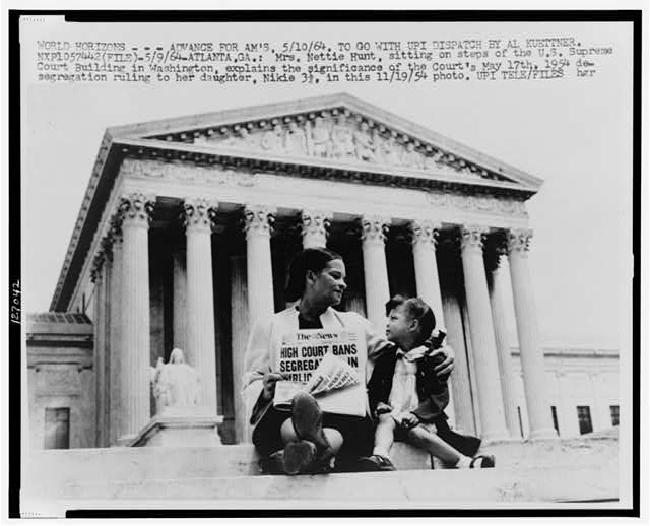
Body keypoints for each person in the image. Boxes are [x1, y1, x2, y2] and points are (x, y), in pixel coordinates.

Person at [242, 248, 455, 475]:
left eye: (343, 278)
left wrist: (440, 348)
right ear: (311, 276)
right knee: (286, 416)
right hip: (287, 410)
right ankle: (316, 448)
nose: (343, 284)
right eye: (335, 276)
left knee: (348, 423)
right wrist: (264, 390)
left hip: (341, 415)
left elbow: (400, 349)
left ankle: (303, 452)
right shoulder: (271, 325)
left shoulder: (354, 325)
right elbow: (252, 378)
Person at [363, 295, 495, 471]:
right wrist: (379, 404)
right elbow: (374, 388)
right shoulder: (387, 356)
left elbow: (439, 397)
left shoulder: (433, 358)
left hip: (422, 420)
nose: (387, 323)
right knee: (385, 421)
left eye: (394, 318)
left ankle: (464, 461)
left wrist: (418, 415)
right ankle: (381, 456)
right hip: (393, 416)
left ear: (413, 325)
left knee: (418, 434)